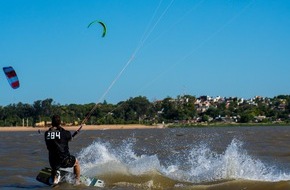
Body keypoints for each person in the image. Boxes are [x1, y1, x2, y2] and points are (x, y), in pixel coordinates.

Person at [44, 115, 80, 185]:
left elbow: (54, 136)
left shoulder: (46, 134)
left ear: (52, 123)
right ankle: (77, 181)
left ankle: (54, 179)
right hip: (64, 160)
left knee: (54, 165)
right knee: (76, 163)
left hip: (52, 161)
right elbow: (69, 138)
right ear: (60, 123)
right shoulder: (65, 133)